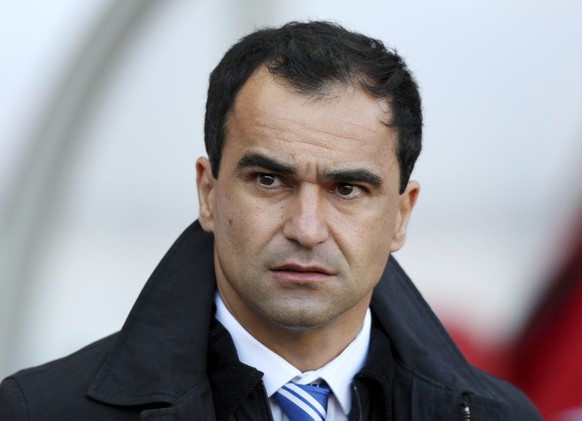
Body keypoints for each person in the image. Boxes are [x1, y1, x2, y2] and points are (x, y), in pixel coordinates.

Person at [0, 21, 541, 420]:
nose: (306, 229)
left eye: (347, 189)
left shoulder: (505, 417)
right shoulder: (40, 411)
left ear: (401, 215)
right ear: (208, 193)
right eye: (268, 180)